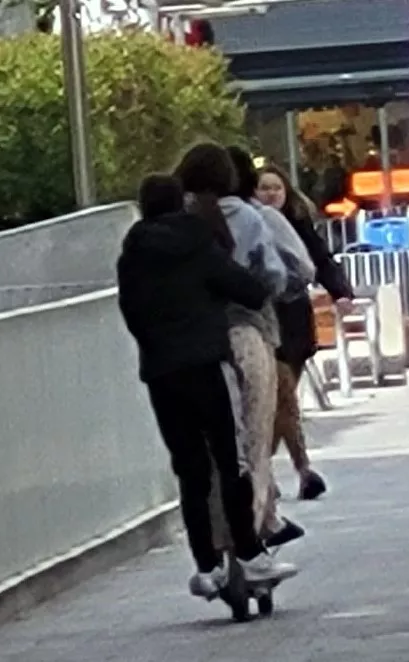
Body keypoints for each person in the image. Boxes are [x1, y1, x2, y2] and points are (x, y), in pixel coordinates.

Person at [116, 173, 298, 601]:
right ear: (181, 203)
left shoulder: (132, 256)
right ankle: (250, 553)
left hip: (161, 372)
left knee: (190, 467)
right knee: (230, 461)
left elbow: (132, 313)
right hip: (208, 364)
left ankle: (207, 567)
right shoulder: (198, 243)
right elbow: (248, 290)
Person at [175, 142, 310, 551]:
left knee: (210, 450)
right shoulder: (251, 218)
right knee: (252, 441)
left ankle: (219, 539)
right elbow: (280, 272)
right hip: (247, 333)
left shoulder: (177, 221)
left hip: (192, 342)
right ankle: (250, 540)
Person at [257, 164, 356, 499]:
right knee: (281, 398)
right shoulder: (246, 225)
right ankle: (299, 470)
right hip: (266, 320)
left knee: (281, 400)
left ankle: (265, 471)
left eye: (276, 188)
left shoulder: (298, 225)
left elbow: (321, 260)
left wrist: (340, 291)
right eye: (263, 188)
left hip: (294, 319)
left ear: (286, 193)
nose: (270, 194)